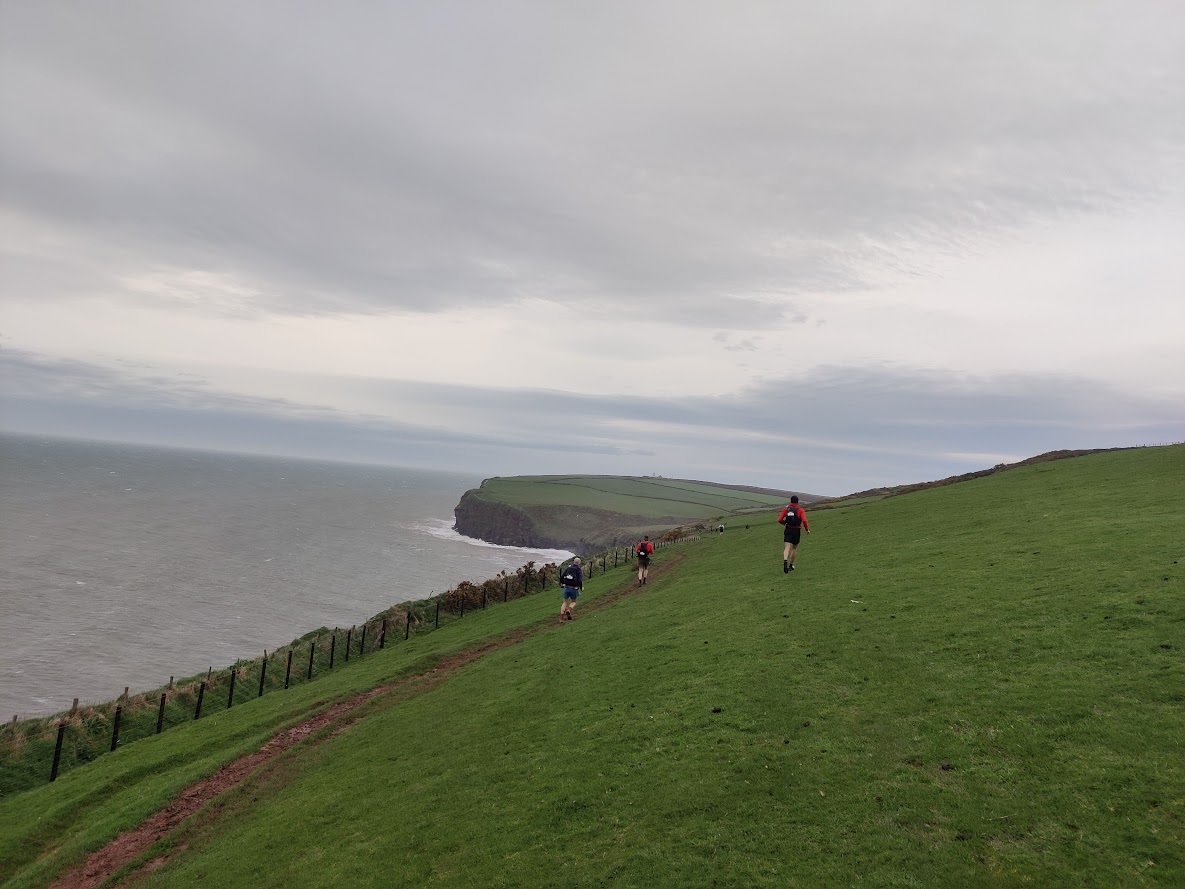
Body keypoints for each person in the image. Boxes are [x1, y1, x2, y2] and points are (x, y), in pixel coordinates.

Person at [777, 496, 810, 572]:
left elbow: (779, 519)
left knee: (787, 547)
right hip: (796, 530)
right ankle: (791, 565)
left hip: (788, 529)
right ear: (797, 501)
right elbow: (804, 520)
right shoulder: (800, 510)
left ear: (791, 501)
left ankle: (785, 560)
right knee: (794, 548)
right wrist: (807, 530)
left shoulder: (786, 509)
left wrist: (784, 523)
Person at [558, 557, 583, 622]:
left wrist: (562, 583)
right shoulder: (579, 570)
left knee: (564, 602)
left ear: (573, 562)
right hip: (574, 588)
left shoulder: (568, 568)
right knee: (573, 601)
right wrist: (580, 587)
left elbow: (562, 577)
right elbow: (580, 580)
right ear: (579, 563)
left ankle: (561, 619)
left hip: (566, 587)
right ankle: (569, 610)